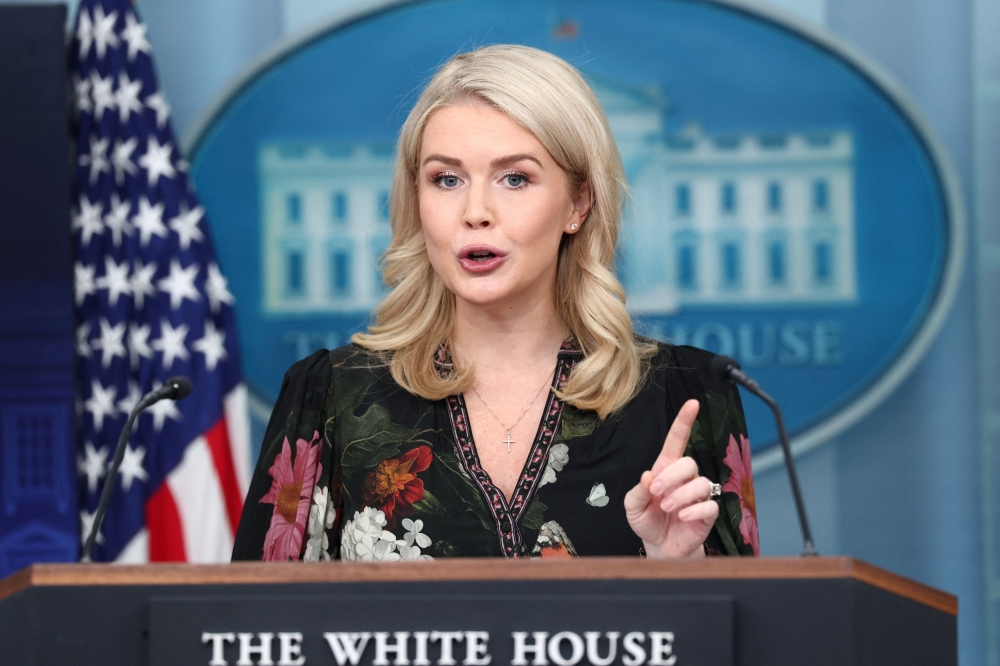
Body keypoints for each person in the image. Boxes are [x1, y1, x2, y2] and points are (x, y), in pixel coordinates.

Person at [231, 44, 759, 562]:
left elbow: (751, 635)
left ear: (578, 203)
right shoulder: (329, 396)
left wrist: (675, 570)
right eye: (446, 179)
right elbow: (255, 631)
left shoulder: (686, 397)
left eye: (514, 178)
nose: (475, 211)